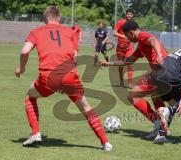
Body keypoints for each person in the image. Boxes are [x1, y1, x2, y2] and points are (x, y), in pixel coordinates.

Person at [14, 6, 112, 151]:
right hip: (69, 75)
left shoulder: (36, 32)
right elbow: (74, 57)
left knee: (30, 96)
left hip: (48, 77)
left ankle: (35, 133)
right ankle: (106, 143)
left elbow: (24, 51)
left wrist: (21, 68)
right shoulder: (69, 32)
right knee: (86, 107)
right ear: (58, 17)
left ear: (44, 18)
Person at [98, 20, 169, 141]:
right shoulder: (141, 45)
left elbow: (153, 40)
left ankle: (158, 122)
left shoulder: (141, 36)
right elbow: (127, 61)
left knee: (132, 95)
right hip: (164, 72)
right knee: (155, 96)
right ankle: (161, 127)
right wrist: (108, 63)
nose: (127, 39)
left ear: (131, 33)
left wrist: (159, 55)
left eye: (126, 36)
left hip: (161, 71)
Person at [114, 9, 135, 88]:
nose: (129, 15)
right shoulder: (120, 22)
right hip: (120, 48)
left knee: (129, 64)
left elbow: (136, 34)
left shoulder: (133, 24)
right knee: (121, 65)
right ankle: (121, 81)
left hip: (129, 47)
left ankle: (130, 83)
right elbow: (115, 33)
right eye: (128, 14)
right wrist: (123, 36)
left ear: (133, 15)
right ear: (126, 14)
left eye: (131, 14)